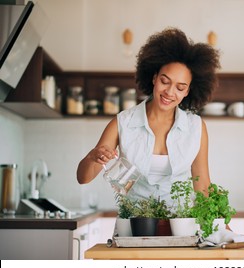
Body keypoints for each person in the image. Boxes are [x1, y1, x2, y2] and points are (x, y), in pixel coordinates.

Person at [76, 27, 220, 206]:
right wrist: (93, 157)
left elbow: (203, 186)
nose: (169, 92)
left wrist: (223, 229)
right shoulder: (123, 122)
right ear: (154, 78)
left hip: (179, 226)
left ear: (188, 91)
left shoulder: (196, 127)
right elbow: (83, 178)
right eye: (164, 81)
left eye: (180, 87)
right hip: (133, 226)